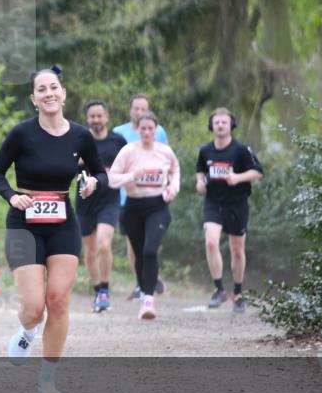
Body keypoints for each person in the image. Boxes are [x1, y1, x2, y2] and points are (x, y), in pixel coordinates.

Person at [0, 67, 105, 393]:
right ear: (34, 98)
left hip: (63, 223)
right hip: (24, 223)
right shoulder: (22, 134)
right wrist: (12, 195)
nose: (49, 93)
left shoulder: (81, 136)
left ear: (63, 92)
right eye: (42, 89)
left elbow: (99, 172)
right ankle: (27, 333)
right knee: (33, 307)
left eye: (53, 87)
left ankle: (48, 380)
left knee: (58, 299)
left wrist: (94, 182)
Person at [108, 112, 180, 320]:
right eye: (143, 128)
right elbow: (112, 179)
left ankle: (148, 299)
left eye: (151, 128)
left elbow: (175, 171)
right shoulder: (128, 151)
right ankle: (144, 292)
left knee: (150, 251)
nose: (147, 132)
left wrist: (173, 188)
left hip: (158, 206)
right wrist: (132, 176)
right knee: (140, 254)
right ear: (137, 130)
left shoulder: (165, 152)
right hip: (132, 207)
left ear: (156, 130)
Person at [195, 107, 264, 313]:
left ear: (231, 125)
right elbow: (200, 171)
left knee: (237, 250)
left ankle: (238, 292)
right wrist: (200, 182)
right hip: (213, 202)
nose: (220, 125)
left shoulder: (241, 149)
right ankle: (219, 289)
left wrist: (238, 178)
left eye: (224, 122)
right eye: (217, 122)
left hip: (237, 203)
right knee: (210, 242)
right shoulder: (205, 150)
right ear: (211, 126)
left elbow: (258, 172)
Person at [112, 95, 169, 301]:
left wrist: (168, 188)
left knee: (150, 242)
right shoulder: (118, 133)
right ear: (130, 110)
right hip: (125, 196)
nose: (138, 112)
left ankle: (150, 275)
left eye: (142, 108)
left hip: (153, 195)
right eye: (135, 108)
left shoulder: (159, 132)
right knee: (132, 240)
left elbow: (166, 161)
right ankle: (140, 281)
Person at [75, 100, 128, 312]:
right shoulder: (80, 140)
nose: (96, 120)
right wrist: (76, 163)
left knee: (104, 244)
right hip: (85, 201)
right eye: (92, 116)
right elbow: (66, 168)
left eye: (99, 116)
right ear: (87, 119)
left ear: (106, 117)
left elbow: (128, 165)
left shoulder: (118, 141)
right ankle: (97, 290)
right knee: (90, 251)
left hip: (109, 200)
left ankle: (105, 290)